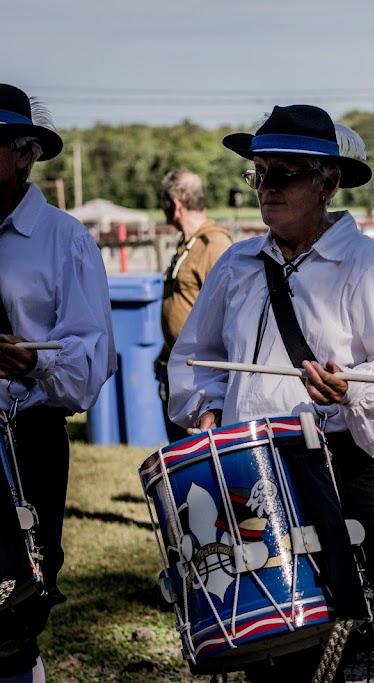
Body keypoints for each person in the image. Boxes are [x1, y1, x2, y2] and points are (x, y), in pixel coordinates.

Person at [168, 104, 374, 681]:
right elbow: (192, 357)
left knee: (320, 641)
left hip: (338, 467)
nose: (266, 188)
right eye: (259, 173)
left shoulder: (368, 267)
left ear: (327, 182)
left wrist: (347, 393)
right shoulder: (236, 263)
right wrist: (206, 410)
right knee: (260, 635)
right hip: (249, 468)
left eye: (283, 175)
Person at [0, 84, 116, 683]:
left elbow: (88, 366)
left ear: (25, 153)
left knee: (16, 611)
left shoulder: (64, 238)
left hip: (25, 441)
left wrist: (34, 365)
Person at [154, 169, 232, 443]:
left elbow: (228, 317)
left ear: (174, 203)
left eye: (162, 200)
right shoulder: (187, 243)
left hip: (201, 380)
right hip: (175, 369)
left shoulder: (215, 245)